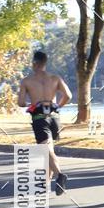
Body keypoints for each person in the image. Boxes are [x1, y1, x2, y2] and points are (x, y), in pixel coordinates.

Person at [17, 50, 72, 195]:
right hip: (54, 117)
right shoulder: (55, 78)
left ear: (34, 63)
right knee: (48, 151)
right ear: (45, 63)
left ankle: (60, 175)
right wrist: (57, 106)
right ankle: (44, 185)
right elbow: (68, 96)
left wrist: (33, 103)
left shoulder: (27, 81)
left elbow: (21, 102)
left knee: (45, 150)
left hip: (39, 118)